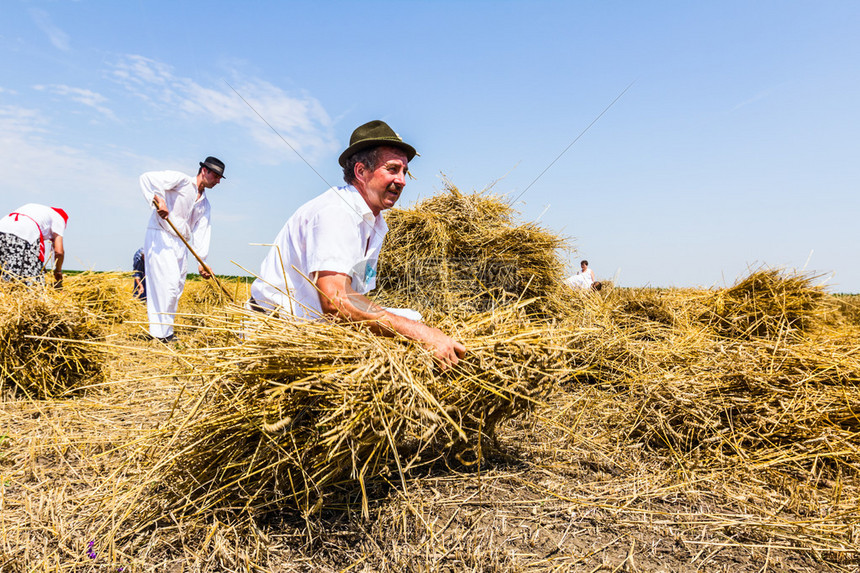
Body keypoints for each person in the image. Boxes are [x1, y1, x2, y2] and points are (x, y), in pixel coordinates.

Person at [250, 120, 465, 368]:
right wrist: (421, 334)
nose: (402, 180)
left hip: (318, 331)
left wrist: (412, 326)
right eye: (393, 169)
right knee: (413, 325)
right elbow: (336, 302)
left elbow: (356, 292)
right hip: (277, 336)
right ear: (361, 172)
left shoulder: (376, 225)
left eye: (404, 172)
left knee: (413, 316)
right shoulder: (335, 212)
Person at [139, 156, 226, 341]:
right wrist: (158, 200)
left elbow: (202, 232)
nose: (218, 181)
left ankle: (165, 332)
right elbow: (147, 178)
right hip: (161, 235)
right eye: (217, 176)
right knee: (166, 285)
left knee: (176, 287)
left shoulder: (205, 204)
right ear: (205, 171)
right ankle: (159, 334)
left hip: (181, 243)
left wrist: (202, 261)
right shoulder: (181, 181)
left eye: (220, 177)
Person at [0, 203, 68, 286]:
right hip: (24, 232)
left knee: (5, 269)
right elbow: (59, 252)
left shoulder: (38, 210)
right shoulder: (59, 218)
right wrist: (58, 271)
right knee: (29, 278)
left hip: (3, 226)